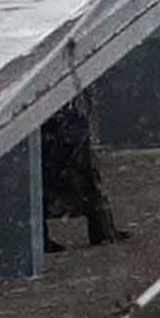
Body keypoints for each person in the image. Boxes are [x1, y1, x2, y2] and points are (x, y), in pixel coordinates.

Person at [41, 90, 130, 252]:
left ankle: (103, 228)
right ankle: (103, 229)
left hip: (58, 114)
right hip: (65, 114)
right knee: (85, 173)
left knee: (63, 172)